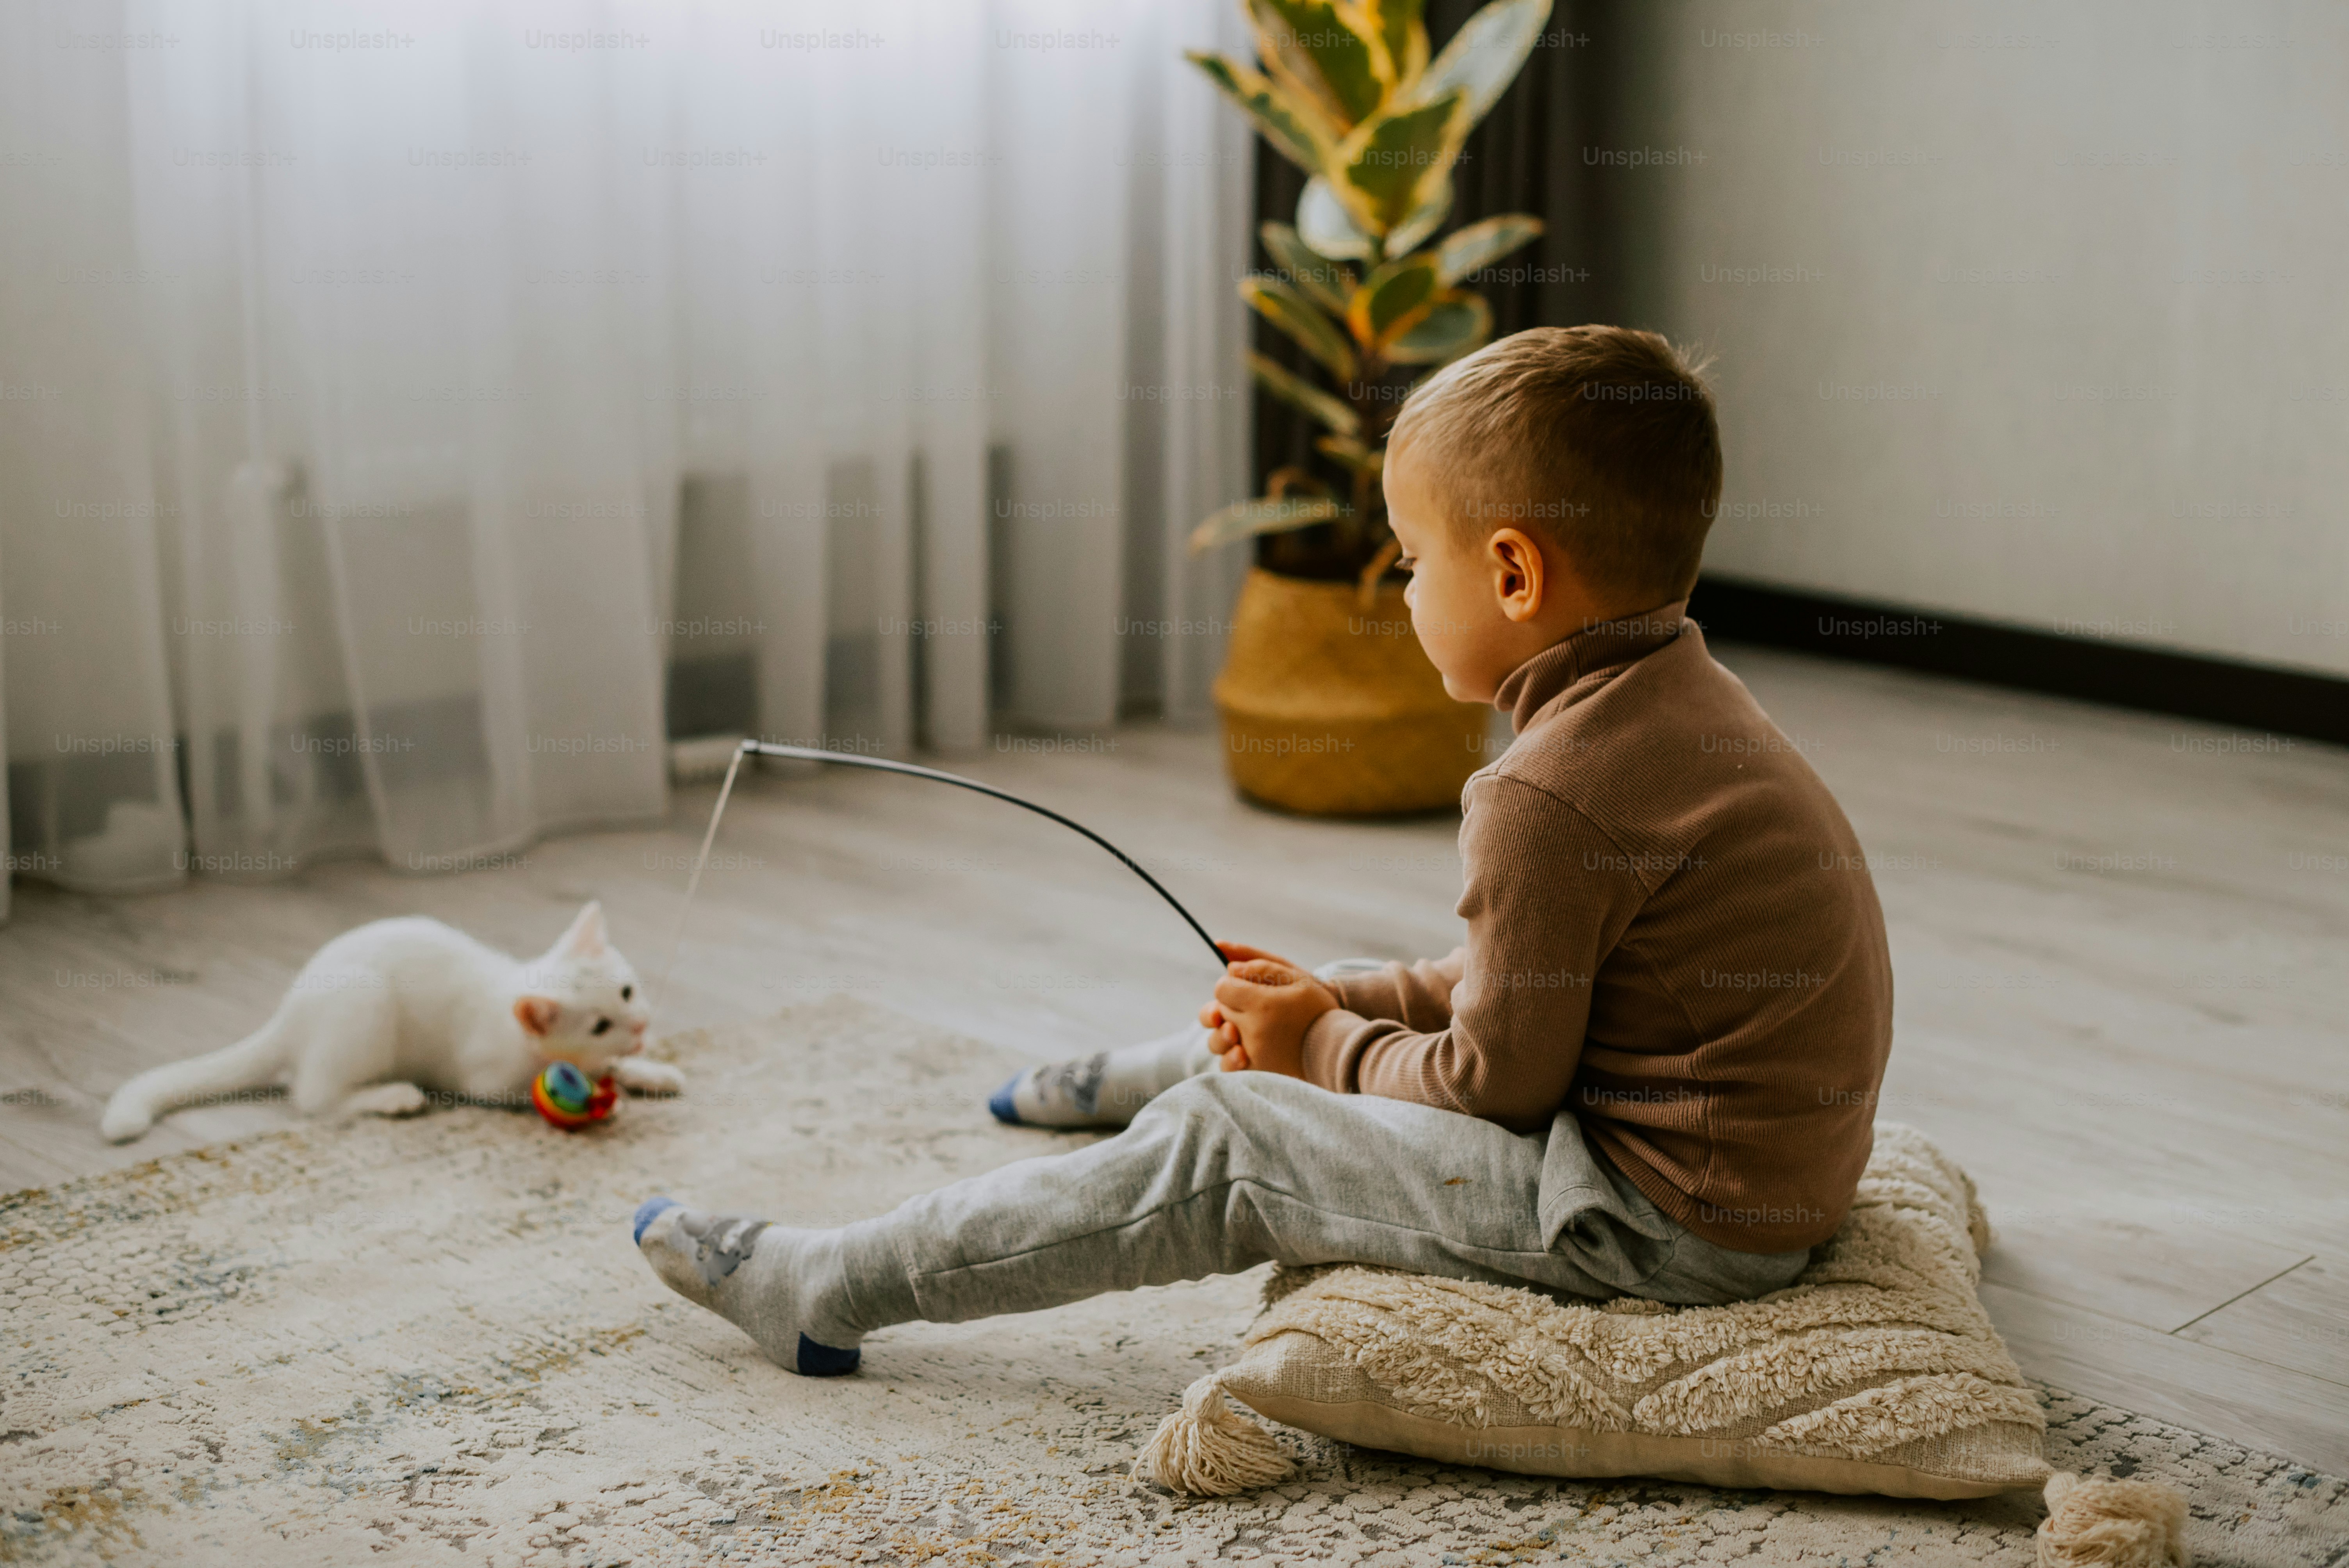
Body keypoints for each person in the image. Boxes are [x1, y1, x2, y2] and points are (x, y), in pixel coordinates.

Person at [631, 326, 1894, 1377]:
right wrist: (1326, 1007)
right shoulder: (1683, 697)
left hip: (1666, 1226)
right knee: (1340, 980)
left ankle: (829, 1285)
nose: (1399, 592)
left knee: (1234, 1139)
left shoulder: (1548, 793)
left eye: (1410, 562)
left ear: (1513, 575)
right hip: (1754, 1173)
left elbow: (1492, 1087)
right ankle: (1184, 1052)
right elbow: (1538, 988)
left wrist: (1316, 1055)